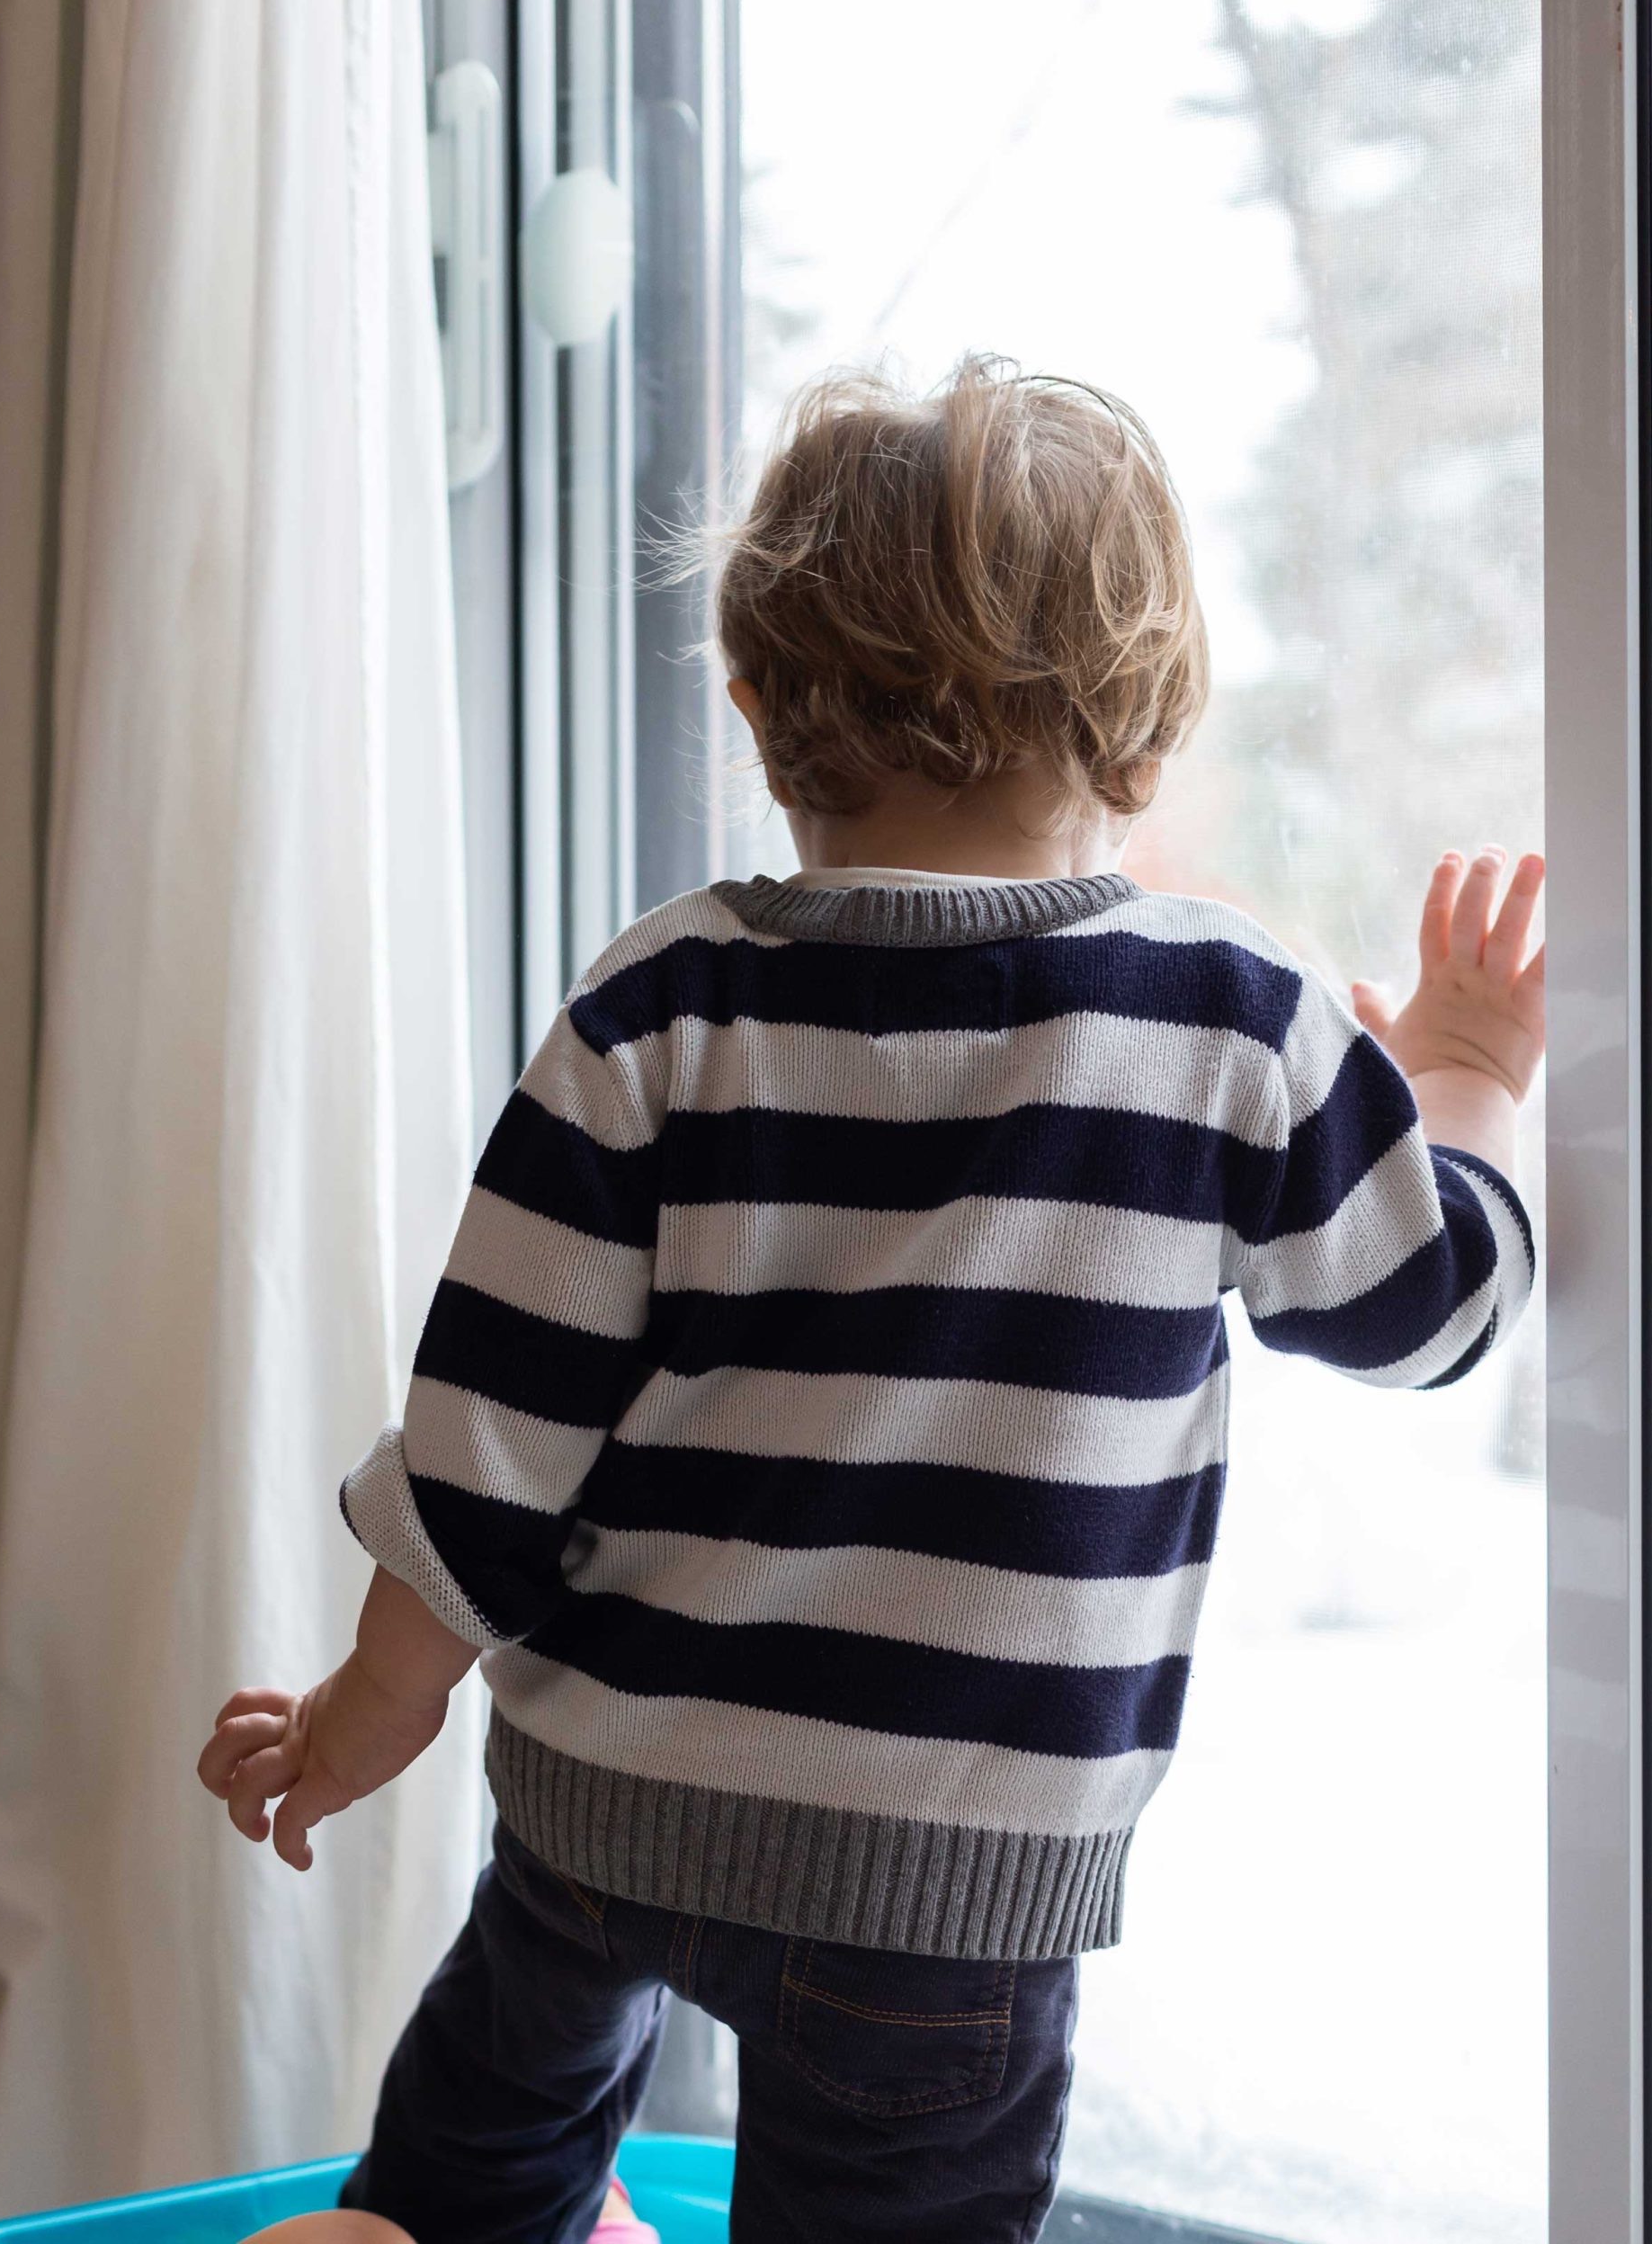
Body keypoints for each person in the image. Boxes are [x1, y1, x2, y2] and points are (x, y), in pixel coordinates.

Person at [199, 356, 1544, 2244]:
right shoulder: (1228, 1025)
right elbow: (1426, 1309)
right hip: (940, 1902)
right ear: (1141, 738)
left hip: (600, 1810)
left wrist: (362, 1709)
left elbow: (489, 1432)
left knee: (448, 2198)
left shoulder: (658, 1003)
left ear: (756, 714)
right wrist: (1468, 1074)